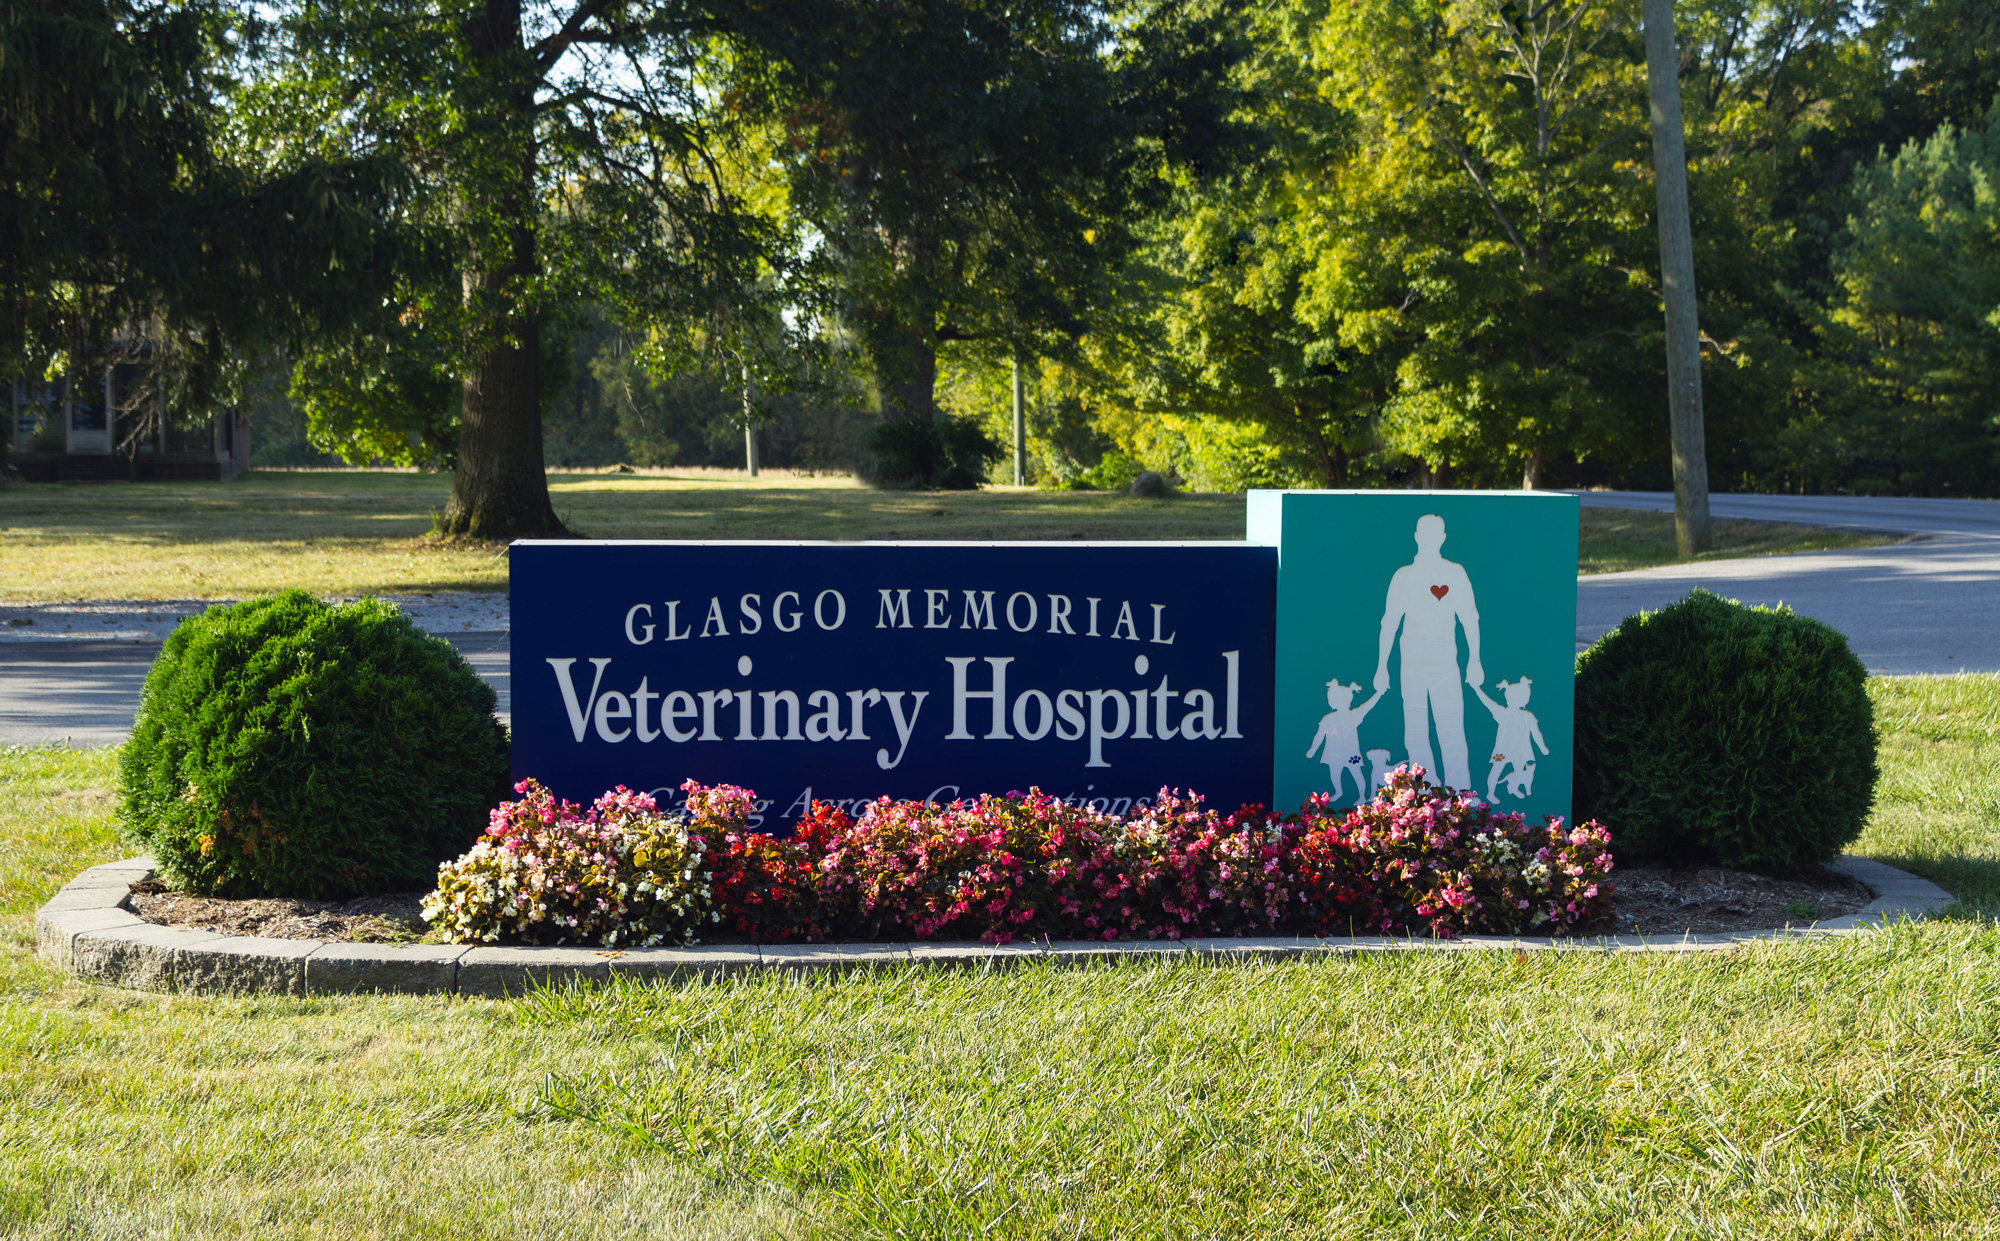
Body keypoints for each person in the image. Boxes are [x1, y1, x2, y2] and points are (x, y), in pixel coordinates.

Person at [1373, 514, 1481, 791]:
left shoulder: (1455, 573)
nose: (1431, 540)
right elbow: (1389, 622)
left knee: (1452, 732)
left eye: (1437, 535)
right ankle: (1426, 795)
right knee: (1416, 735)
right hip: (1412, 667)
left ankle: (1461, 795)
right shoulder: (1404, 576)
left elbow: (1470, 618)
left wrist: (1475, 661)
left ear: (1443, 538)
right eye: (1426, 535)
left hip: (1446, 665)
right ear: (1417, 537)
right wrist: (1381, 667)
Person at [1305, 678, 1385, 804]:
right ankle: (1339, 792)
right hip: (1334, 752)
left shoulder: (1351, 715)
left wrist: (1378, 694)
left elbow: (1367, 706)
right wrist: (1312, 749)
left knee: (1355, 772)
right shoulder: (1329, 718)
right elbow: (1319, 736)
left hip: (1350, 751)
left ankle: (1362, 796)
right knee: (1335, 772)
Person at [1471, 677, 1548, 800]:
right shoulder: (1503, 713)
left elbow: (1536, 733)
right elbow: (1487, 702)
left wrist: (1542, 747)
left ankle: (1513, 789)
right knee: (1496, 770)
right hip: (1504, 749)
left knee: (1518, 772)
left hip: (1521, 750)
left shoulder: (1528, 716)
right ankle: (1490, 793)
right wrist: (1477, 689)